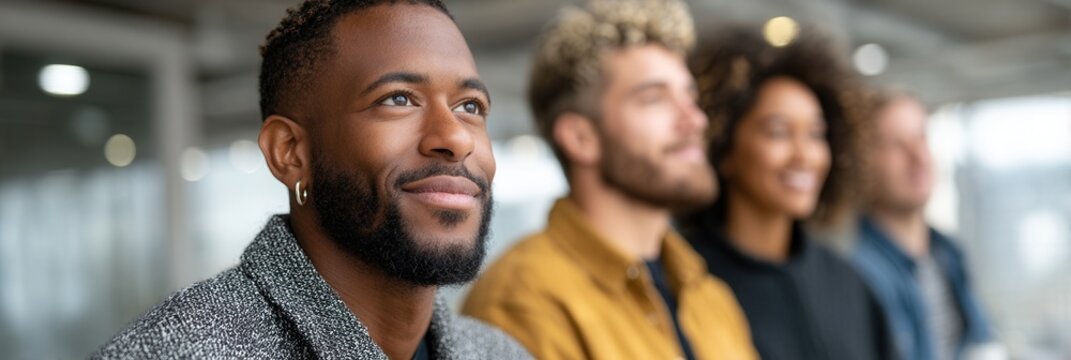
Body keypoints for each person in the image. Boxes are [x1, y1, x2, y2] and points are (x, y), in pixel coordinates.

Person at [93, 1, 530, 359]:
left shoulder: (499, 354)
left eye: (470, 106)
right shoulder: (175, 352)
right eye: (398, 99)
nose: (455, 137)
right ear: (290, 152)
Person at [461, 1, 757, 359]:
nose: (694, 120)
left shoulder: (710, 297)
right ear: (581, 137)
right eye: (654, 98)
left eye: (689, 98)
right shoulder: (523, 301)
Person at [678, 27, 897, 360]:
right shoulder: (683, 280)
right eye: (778, 132)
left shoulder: (848, 284)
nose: (804, 155)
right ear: (722, 148)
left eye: (815, 134)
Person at [852, 91, 996, 360]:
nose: (918, 157)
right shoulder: (856, 273)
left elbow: (981, 342)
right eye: (897, 144)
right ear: (865, 163)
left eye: (922, 138)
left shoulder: (948, 254)